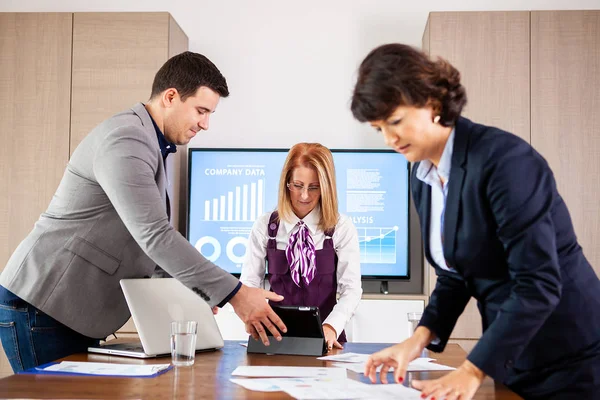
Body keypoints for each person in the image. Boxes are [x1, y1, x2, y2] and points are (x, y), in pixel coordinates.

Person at [0, 51, 286, 373]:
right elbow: (155, 236)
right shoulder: (127, 138)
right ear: (171, 96)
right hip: (44, 301)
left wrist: (193, 291)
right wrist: (235, 294)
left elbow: (143, 244)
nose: (205, 124)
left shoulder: (152, 143)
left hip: (71, 308)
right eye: (201, 111)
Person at [350, 43, 600, 399]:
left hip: (570, 355)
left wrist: (471, 371)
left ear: (432, 103)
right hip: (513, 354)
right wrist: (416, 341)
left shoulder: (505, 162)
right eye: (379, 129)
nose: (390, 139)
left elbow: (538, 282)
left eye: (395, 122)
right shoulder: (422, 175)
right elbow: (457, 273)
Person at [240, 143, 362, 351]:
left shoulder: (341, 227)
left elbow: (351, 289)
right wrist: (251, 313)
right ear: (287, 183)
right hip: (274, 337)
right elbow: (250, 282)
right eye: (298, 185)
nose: (304, 196)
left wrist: (332, 326)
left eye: (314, 187)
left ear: (326, 188)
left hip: (327, 338)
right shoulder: (265, 227)